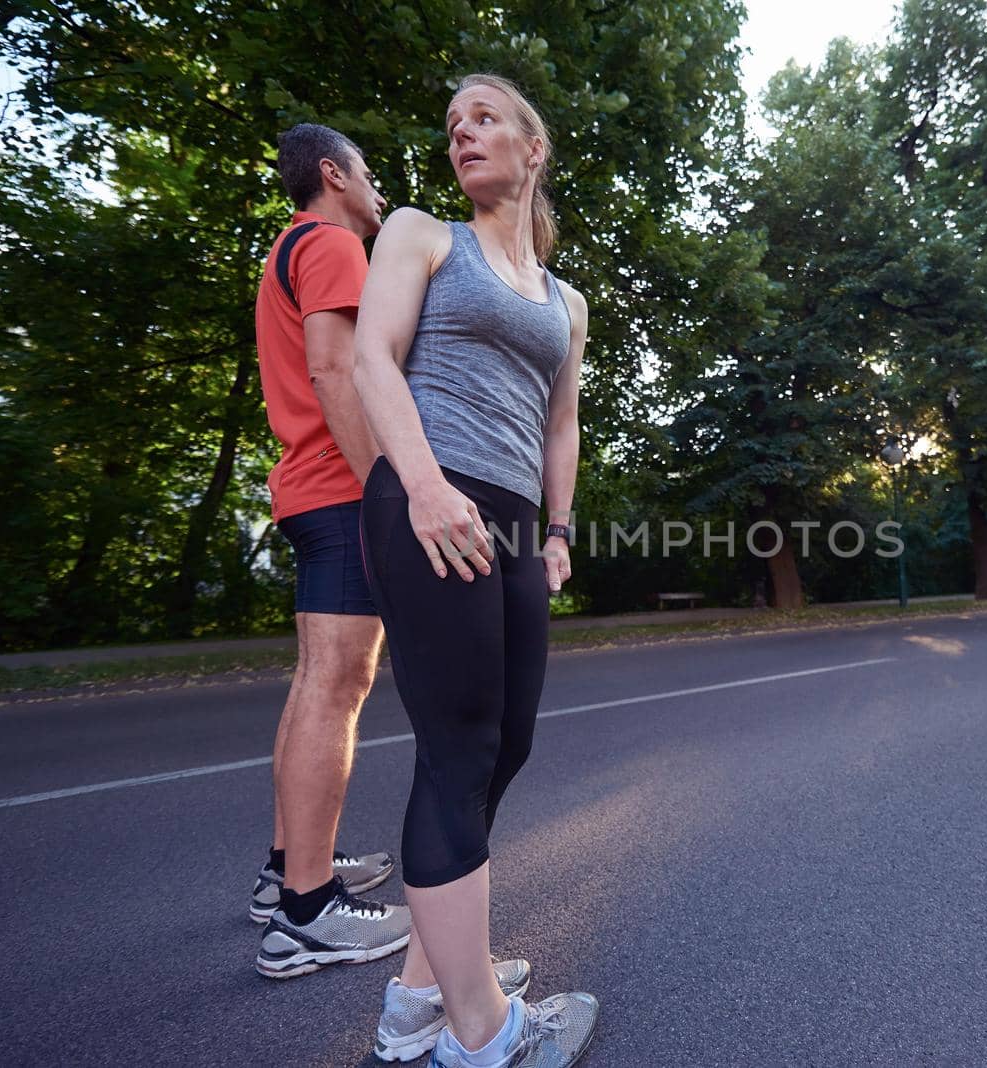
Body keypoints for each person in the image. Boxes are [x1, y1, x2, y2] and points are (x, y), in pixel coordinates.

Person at [353, 74, 599, 1067]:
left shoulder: (566, 301)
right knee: (457, 751)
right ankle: (482, 1035)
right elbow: (373, 357)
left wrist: (559, 529)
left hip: (505, 521)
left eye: (484, 116)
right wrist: (419, 486)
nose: (463, 132)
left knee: (506, 750)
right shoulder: (418, 233)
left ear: (531, 149)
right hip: (427, 499)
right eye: (453, 124)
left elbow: (561, 419)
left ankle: (420, 995)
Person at [248, 123, 411, 979]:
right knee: (339, 686)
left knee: (317, 681)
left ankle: (287, 872)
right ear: (331, 174)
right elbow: (335, 370)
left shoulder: (289, 246)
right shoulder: (333, 242)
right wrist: (387, 488)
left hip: (306, 489)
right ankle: (310, 913)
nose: (378, 188)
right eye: (369, 172)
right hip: (341, 490)